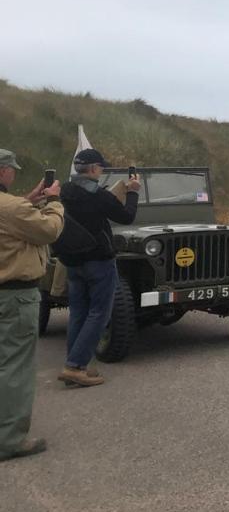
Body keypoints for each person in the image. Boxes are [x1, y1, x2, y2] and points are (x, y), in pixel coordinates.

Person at [0, 148, 63, 462]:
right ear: (3, 172)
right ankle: (10, 439)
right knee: (16, 368)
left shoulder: (11, 206)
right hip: (16, 294)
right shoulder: (10, 207)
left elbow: (12, 213)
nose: (13, 173)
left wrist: (31, 197)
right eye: (11, 169)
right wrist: (54, 203)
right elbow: (48, 230)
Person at [58, 148, 139, 387]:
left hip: (73, 261)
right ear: (93, 169)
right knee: (99, 313)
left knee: (79, 313)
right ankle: (74, 367)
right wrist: (132, 192)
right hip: (99, 261)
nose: (101, 171)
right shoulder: (98, 196)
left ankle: (74, 363)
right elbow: (126, 217)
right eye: (100, 167)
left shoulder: (65, 191)